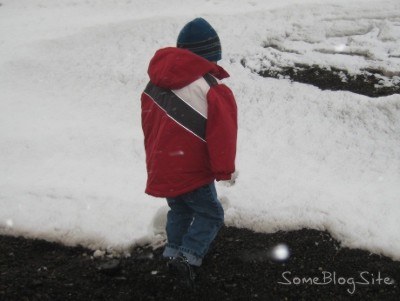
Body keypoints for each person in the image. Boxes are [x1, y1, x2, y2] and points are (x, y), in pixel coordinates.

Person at [141, 17, 238, 287]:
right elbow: (223, 136)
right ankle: (189, 257)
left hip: (164, 163)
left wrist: (156, 158)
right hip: (193, 168)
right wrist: (222, 169)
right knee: (210, 214)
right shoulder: (212, 90)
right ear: (210, 57)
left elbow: (150, 124)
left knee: (179, 210)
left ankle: (173, 251)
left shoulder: (154, 84)